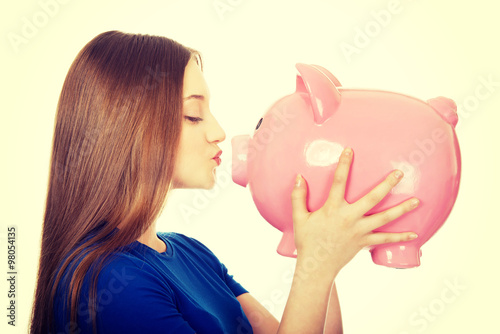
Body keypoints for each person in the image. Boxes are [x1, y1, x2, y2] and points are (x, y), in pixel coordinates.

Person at [30, 30, 420, 334]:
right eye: (194, 116)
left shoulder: (190, 253)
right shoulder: (109, 283)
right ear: (129, 128)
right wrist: (314, 271)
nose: (218, 132)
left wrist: (321, 254)